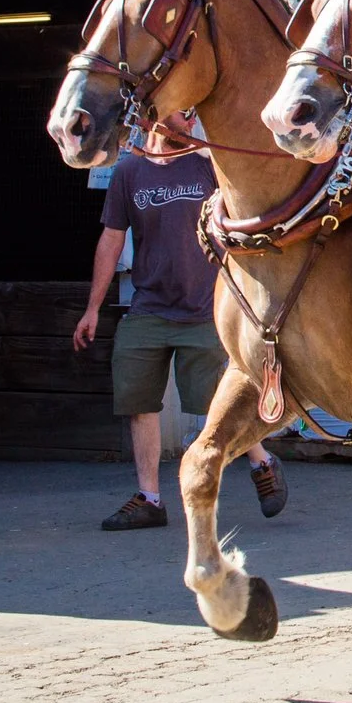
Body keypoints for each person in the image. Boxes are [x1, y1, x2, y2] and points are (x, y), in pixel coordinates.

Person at [72, 108, 286, 530]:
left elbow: (240, 223)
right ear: (154, 116)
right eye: (181, 112)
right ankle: (149, 497)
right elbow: (112, 239)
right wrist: (92, 307)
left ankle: (261, 461)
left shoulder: (207, 164)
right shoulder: (129, 171)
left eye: (192, 114)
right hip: (148, 306)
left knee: (213, 402)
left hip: (206, 306)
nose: (189, 118)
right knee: (138, 402)